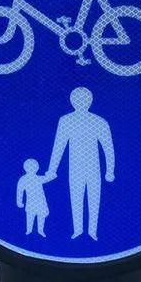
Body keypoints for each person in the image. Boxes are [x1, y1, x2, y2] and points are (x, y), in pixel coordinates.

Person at [46, 87, 115, 240]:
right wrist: (52, 170)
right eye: (77, 99)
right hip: (75, 167)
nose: (81, 102)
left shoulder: (99, 121)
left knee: (94, 198)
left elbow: (108, 148)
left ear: (90, 101)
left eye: (84, 99)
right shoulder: (66, 121)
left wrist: (110, 171)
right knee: (76, 198)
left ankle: (93, 231)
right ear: (72, 101)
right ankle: (77, 230)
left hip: (93, 168)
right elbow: (59, 146)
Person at [16, 158, 51, 236]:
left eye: (35, 167)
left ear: (37, 168)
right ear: (26, 168)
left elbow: (47, 179)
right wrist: (19, 202)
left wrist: (52, 174)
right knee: (30, 215)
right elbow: (20, 191)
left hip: (41, 201)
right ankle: (29, 230)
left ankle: (40, 230)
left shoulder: (38, 178)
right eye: (30, 167)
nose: (33, 169)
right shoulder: (23, 179)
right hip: (30, 202)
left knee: (41, 215)